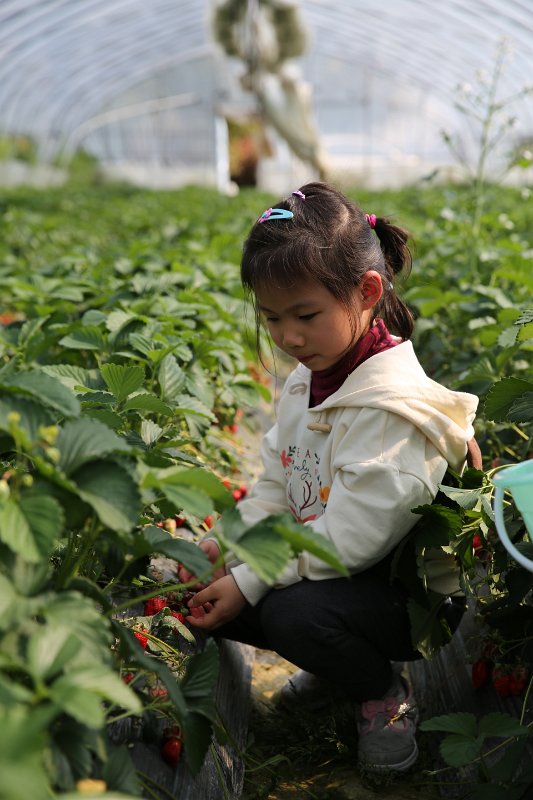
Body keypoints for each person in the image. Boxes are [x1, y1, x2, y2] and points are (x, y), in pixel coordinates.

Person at [178, 182, 478, 773]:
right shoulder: (310, 377)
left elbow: (348, 539)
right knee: (221, 588)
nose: (288, 337)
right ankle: (338, 665)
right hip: (340, 575)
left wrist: (251, 576)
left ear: (367, 292)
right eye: (271, 318)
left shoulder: (391, 414)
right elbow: (277, 482)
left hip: (409, 601)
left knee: (289, 612)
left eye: (306, 315)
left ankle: (381, 692)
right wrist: (224, 545)